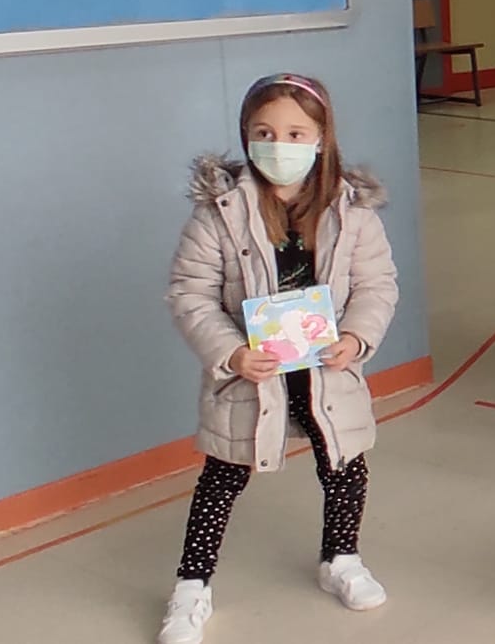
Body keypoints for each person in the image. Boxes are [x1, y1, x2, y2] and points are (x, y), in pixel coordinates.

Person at [160, 74, 400, 644]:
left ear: (321, 137)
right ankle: (191, 586)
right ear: (246, 135)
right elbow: (190, 293)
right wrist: (231, 353)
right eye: (264, 132)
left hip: (327, 371)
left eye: (295, 133)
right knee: (223, 474)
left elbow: (377, 285)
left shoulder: (353, 210)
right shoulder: (219, 212)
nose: (279, 145)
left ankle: (341, 557)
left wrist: (356, 338)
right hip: (251, 373)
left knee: (344, 463)